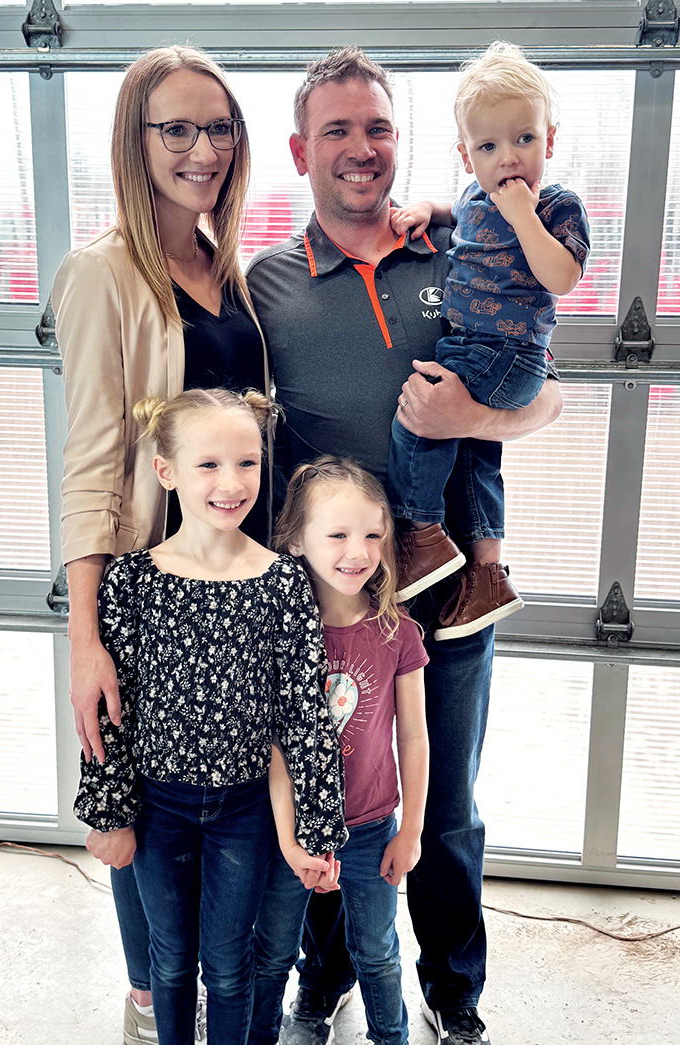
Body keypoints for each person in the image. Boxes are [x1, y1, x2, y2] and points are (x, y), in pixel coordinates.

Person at [246, 46, 563, 1045]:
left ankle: (453, 993)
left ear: (403, 143)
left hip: (448, 593)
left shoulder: (458, 249)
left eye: (376, 127)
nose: (359, 148)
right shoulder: (269, 285)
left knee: (445, 800)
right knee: (331, 790)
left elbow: (548, 392)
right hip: (330, 605)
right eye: (335, 129)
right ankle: (326, 974)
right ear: (300, 150)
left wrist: (480, 411)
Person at [52, 45, 271, 1045]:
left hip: (235, 587)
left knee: (219, 807)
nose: (202, 148)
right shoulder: (106, 273)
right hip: (150, 603)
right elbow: (94, 462)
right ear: (134, 143)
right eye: (175, 128)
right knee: (139, 814)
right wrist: (88, 639)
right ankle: (148, 1001)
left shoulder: (224, 268)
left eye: (217, 126)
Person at [73, 388, 347, 1045]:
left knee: (228, 968)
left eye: (247, 463)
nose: (231, 483)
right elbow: (114, 711)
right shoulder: (132, 580)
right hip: (157, 808)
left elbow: (305, 713)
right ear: (166, 470)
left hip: (244, 812)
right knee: (169, 961)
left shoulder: (284, 582)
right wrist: (108, 815)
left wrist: (316, 824)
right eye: (209, 465)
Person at [386, 41, 590, 638]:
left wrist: (526, 217)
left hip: (504, 353)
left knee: (421, 413)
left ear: (550, 139)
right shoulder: (477, 196)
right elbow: (462, 212)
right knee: (477, 454)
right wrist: (429, 207)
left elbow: (564, 277)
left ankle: (421, 533)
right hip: (481, 347)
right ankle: (486, 574)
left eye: (524, 139)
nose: (508, 159)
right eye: (488, 146)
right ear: (466, 154)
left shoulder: (555, 206)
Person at [250, 456, 430, 1045]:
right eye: (338, 534)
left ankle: (390, 1037)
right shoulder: (276, 629)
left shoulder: (398, 632)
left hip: (374, 826)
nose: (359, 551)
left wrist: (413, 832)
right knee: (272, 951)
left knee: (377, 951)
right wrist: (290, 838)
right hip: (290, 827)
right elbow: (272, 741)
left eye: (373, 535)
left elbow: (415, 737)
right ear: (296, 541)